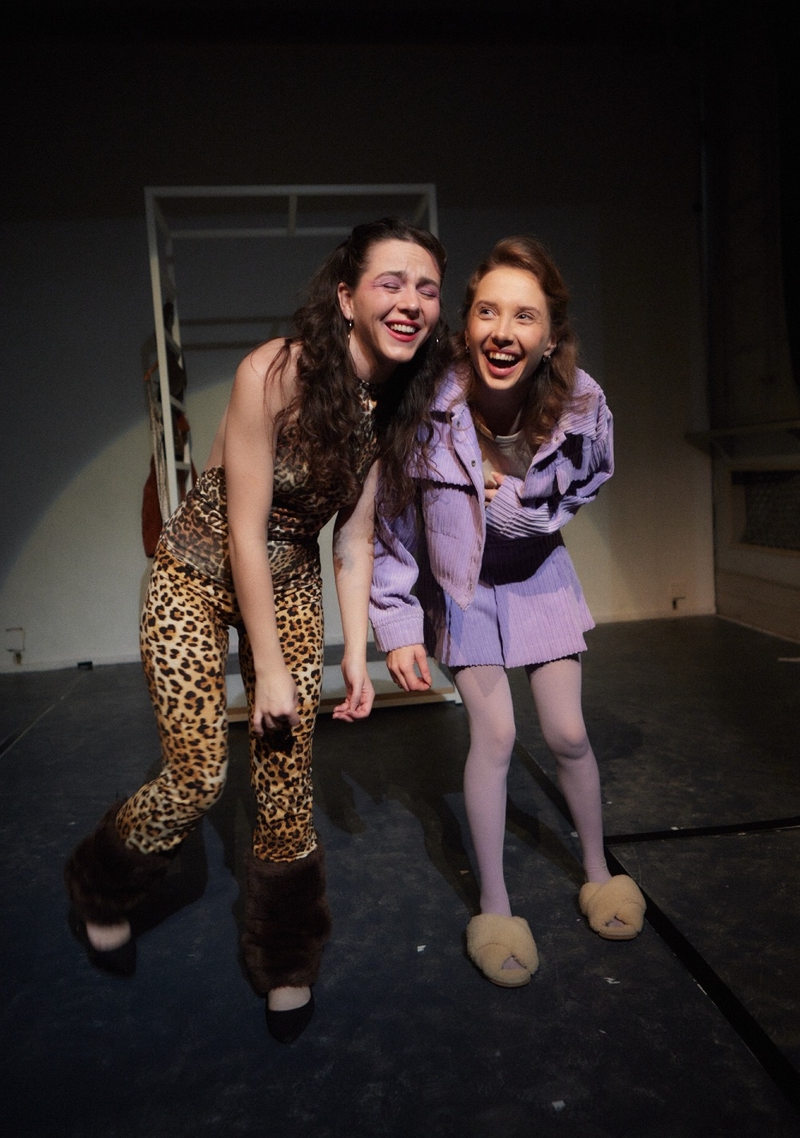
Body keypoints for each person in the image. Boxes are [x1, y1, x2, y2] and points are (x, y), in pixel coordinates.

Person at [65, 217, 450, 1039]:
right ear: (346, 298)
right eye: (390, 282)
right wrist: (269, 669)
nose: (410, 302)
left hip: (294, 580)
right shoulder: (273, 372)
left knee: (284, 780)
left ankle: (285, 953)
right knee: (200, 775)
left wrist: (356, 656)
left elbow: (352, 541)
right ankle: (101, 882)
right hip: (196, 574)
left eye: (426, 288)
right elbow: (245, 530)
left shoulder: (394, 402)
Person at [369, 236, 645, 988]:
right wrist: (396, 625)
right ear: (466, 325)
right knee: (495, 736)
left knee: (568, 733)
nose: (503, 331)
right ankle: (495, 909)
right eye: (487, 311)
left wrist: (514, 504)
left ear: (549, 336)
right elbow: (391, 525)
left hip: (538, 573)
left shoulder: (579, 401)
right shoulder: (427, 408)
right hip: (463, 589)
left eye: (524, 316)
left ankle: (598, 873)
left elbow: (588, 479)